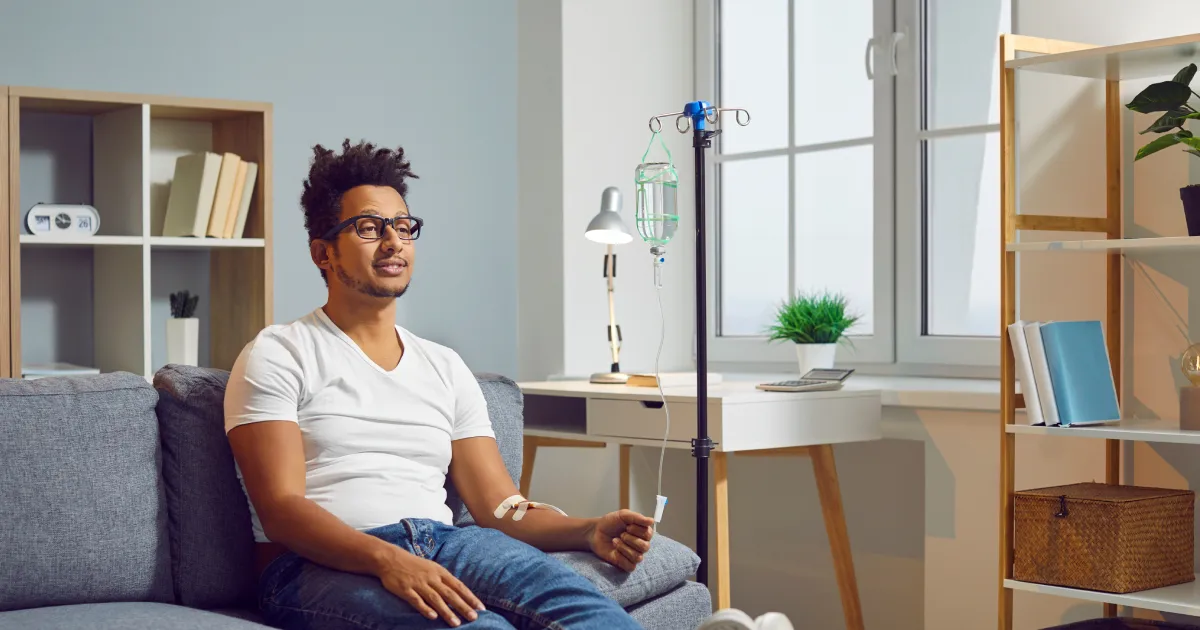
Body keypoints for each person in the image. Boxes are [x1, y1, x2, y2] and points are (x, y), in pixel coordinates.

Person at [224, 139, 653, 629]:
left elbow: (499, 507)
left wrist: (588, 529)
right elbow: (281, 509)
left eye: (403, 227)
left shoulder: (445, 366)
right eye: (369, 227)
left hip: (450, 543)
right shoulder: (280, 353)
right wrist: (388, 560)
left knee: (587, 612)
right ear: (323, 253)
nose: (394, 242)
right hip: (317, 565)